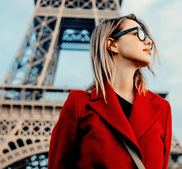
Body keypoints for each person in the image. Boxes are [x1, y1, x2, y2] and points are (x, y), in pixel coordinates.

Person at [48, 14, 172, 169]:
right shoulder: (80, 104)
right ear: (112, 44)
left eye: (147, 37)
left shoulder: (162, 108)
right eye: (137, 34)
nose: (148, 41)